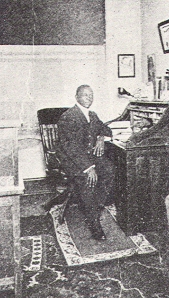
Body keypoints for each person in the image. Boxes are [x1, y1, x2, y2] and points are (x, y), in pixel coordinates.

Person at [53, 84, 115, 241]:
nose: (89, 98)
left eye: (91, 95)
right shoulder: (68, 117)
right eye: (85, 95)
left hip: (88, 157)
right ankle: (94, 223)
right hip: (72, 160)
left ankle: (95, 207)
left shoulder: (92, 115)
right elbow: (71, 148)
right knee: (88, 180)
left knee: (109, 170)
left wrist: (101, 138)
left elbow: (106, 130)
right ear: (77, 97)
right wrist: (89, 168)